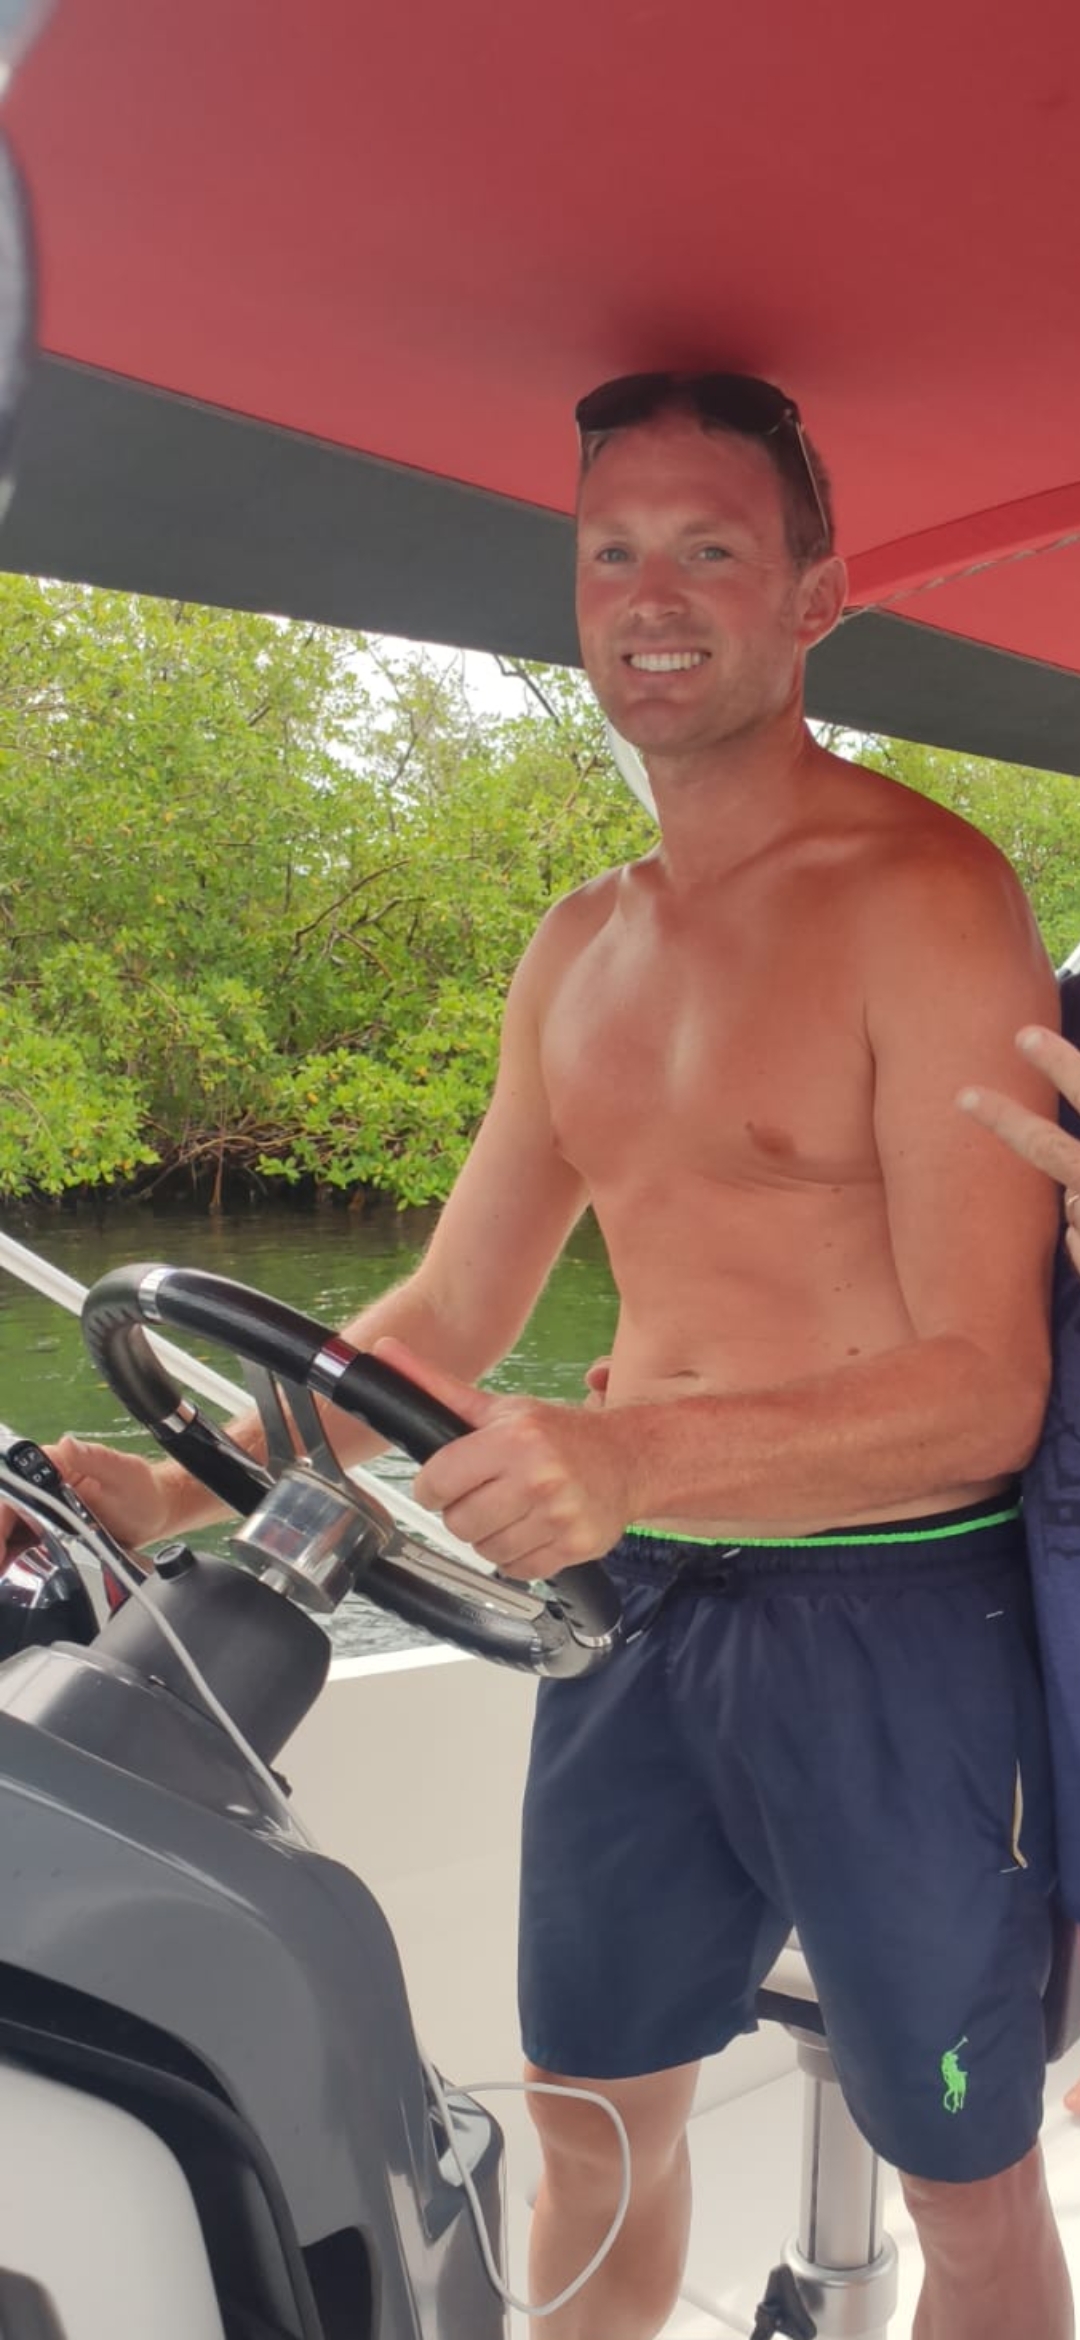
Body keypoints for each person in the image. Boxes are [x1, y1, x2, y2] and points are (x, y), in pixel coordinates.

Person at [2, 372, 1071, 2340]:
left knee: (969, 2185)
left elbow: (986, 1387)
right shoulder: (580, 945)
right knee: (590, 2127)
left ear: (815, 594)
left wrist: (634, 1458)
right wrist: (168, 1481)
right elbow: (440, 1322)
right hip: (625, 1616)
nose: (650, 596)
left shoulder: (931, 899)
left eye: (710, 549)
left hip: (896, 1622)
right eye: (611, 553)